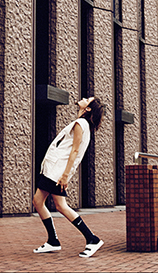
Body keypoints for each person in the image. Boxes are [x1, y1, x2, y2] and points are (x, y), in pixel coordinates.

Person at [32, 96, 105, 258]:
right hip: (53, 170)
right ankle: (53, 241)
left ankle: (92, 239)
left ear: (88, 109)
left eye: (87, 99)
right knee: (38, 201)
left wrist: (65, 175)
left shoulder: (80, 124)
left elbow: (75, 151)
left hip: (57, 171)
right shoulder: (83, 124)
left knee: (61, 206)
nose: (84, 98)